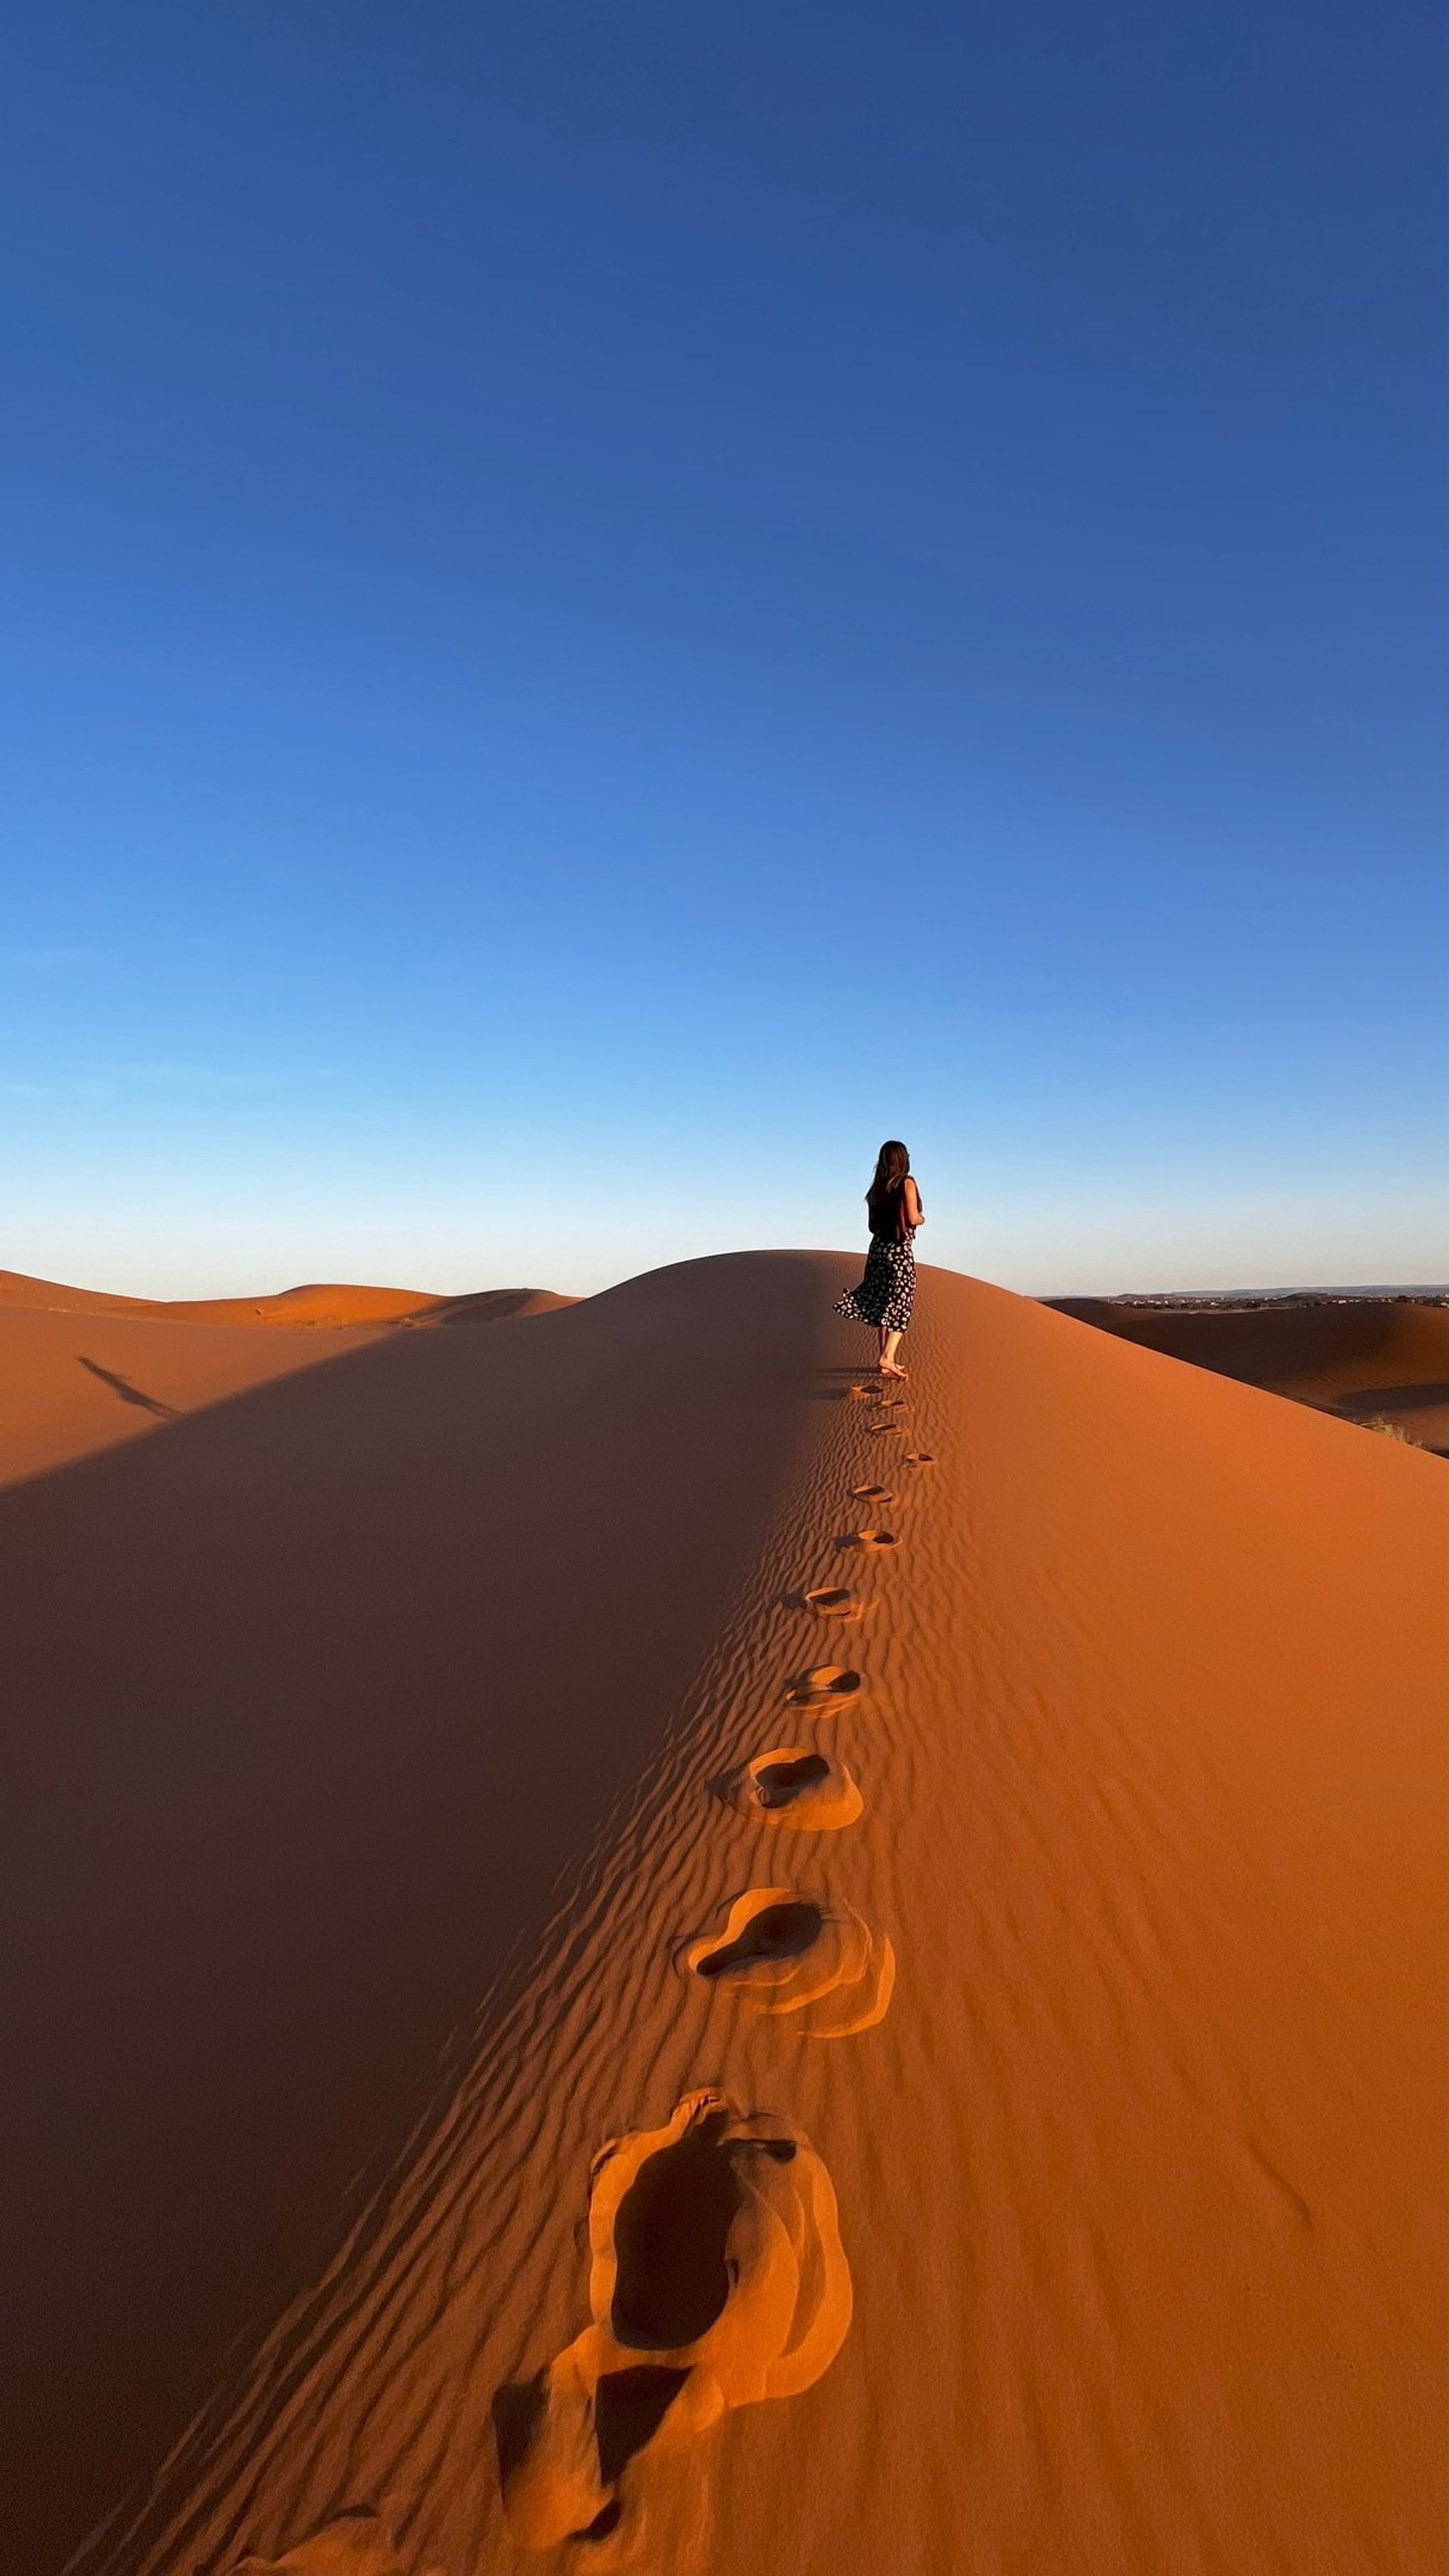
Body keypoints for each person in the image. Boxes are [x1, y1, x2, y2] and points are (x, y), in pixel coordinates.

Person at [835, 1140, 923, 1377]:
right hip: (898, 1251)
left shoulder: (876, 1189)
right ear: (902, 1159)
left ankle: (883, 1361)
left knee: (884, 1300)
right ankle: (888, 1357)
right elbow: (913, 1218)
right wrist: (923, 1219)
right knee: (901, 1303)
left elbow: (871, 1225)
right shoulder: (906, 1182)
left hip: (877, 1250)